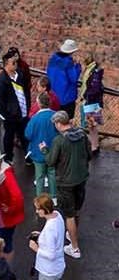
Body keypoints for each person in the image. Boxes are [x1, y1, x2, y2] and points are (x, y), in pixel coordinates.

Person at [48, 111, 89, 259]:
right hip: (81, 178)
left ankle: (75, 248)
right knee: (77, 210)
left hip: (65, 182)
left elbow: (51, 162)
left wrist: (45, 150)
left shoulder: (59, 141)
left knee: (69, 215)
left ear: (59, 124)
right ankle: (72, 235)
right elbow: (89, 154)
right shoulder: (82, 135)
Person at [0, 146, 25, 254]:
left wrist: (10, 209)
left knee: (5, 243)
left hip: (6, 218)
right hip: (0, 215)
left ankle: (5, 265)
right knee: (3, 241)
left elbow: (18, 196)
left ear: (0, 160)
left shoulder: (7, 174)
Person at [0, 50, 28, 162]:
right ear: (6, 65)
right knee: (9, 137)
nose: (15, 64)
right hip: (11, 116)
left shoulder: (20, 74)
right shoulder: (2, 80)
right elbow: (0, 100)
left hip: (23, 112)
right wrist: (6, 115)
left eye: (16, 62)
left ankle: (28, 157)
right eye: (13, 63)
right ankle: (8, 157)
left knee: (24, 136)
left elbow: (26, 91)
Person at [26, 104, 61, 198]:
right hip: (53, 152)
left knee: (39, 177)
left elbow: (27, 134)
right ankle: (54, 197)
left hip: (38, 153)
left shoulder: (35, 118)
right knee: (52, 174)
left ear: (39, 103)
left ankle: (40, 200)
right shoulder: (55, 116)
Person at [47, 39, 82, 112]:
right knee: (65, 120)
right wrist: (78, 66)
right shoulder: (68, 62)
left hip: (53, 96)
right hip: (66, 98)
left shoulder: (52, 59)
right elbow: (74, 78)